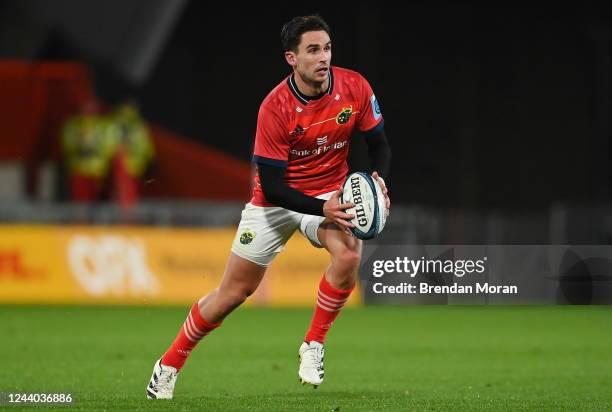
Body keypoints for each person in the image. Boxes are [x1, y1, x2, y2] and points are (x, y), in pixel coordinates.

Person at [146, 14, 391, 399]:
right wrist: (322, 209)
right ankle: (170, 363)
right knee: (232, 294)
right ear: (291, 58)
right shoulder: (274, 108)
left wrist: (377, 178)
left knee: (347, 256)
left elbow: (379, 144)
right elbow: (275, 188)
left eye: (326, 48)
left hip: (329, 189)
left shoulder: (354, 86)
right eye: (312, 50)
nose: (323, 57)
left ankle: (313, 345)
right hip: (274, 204)